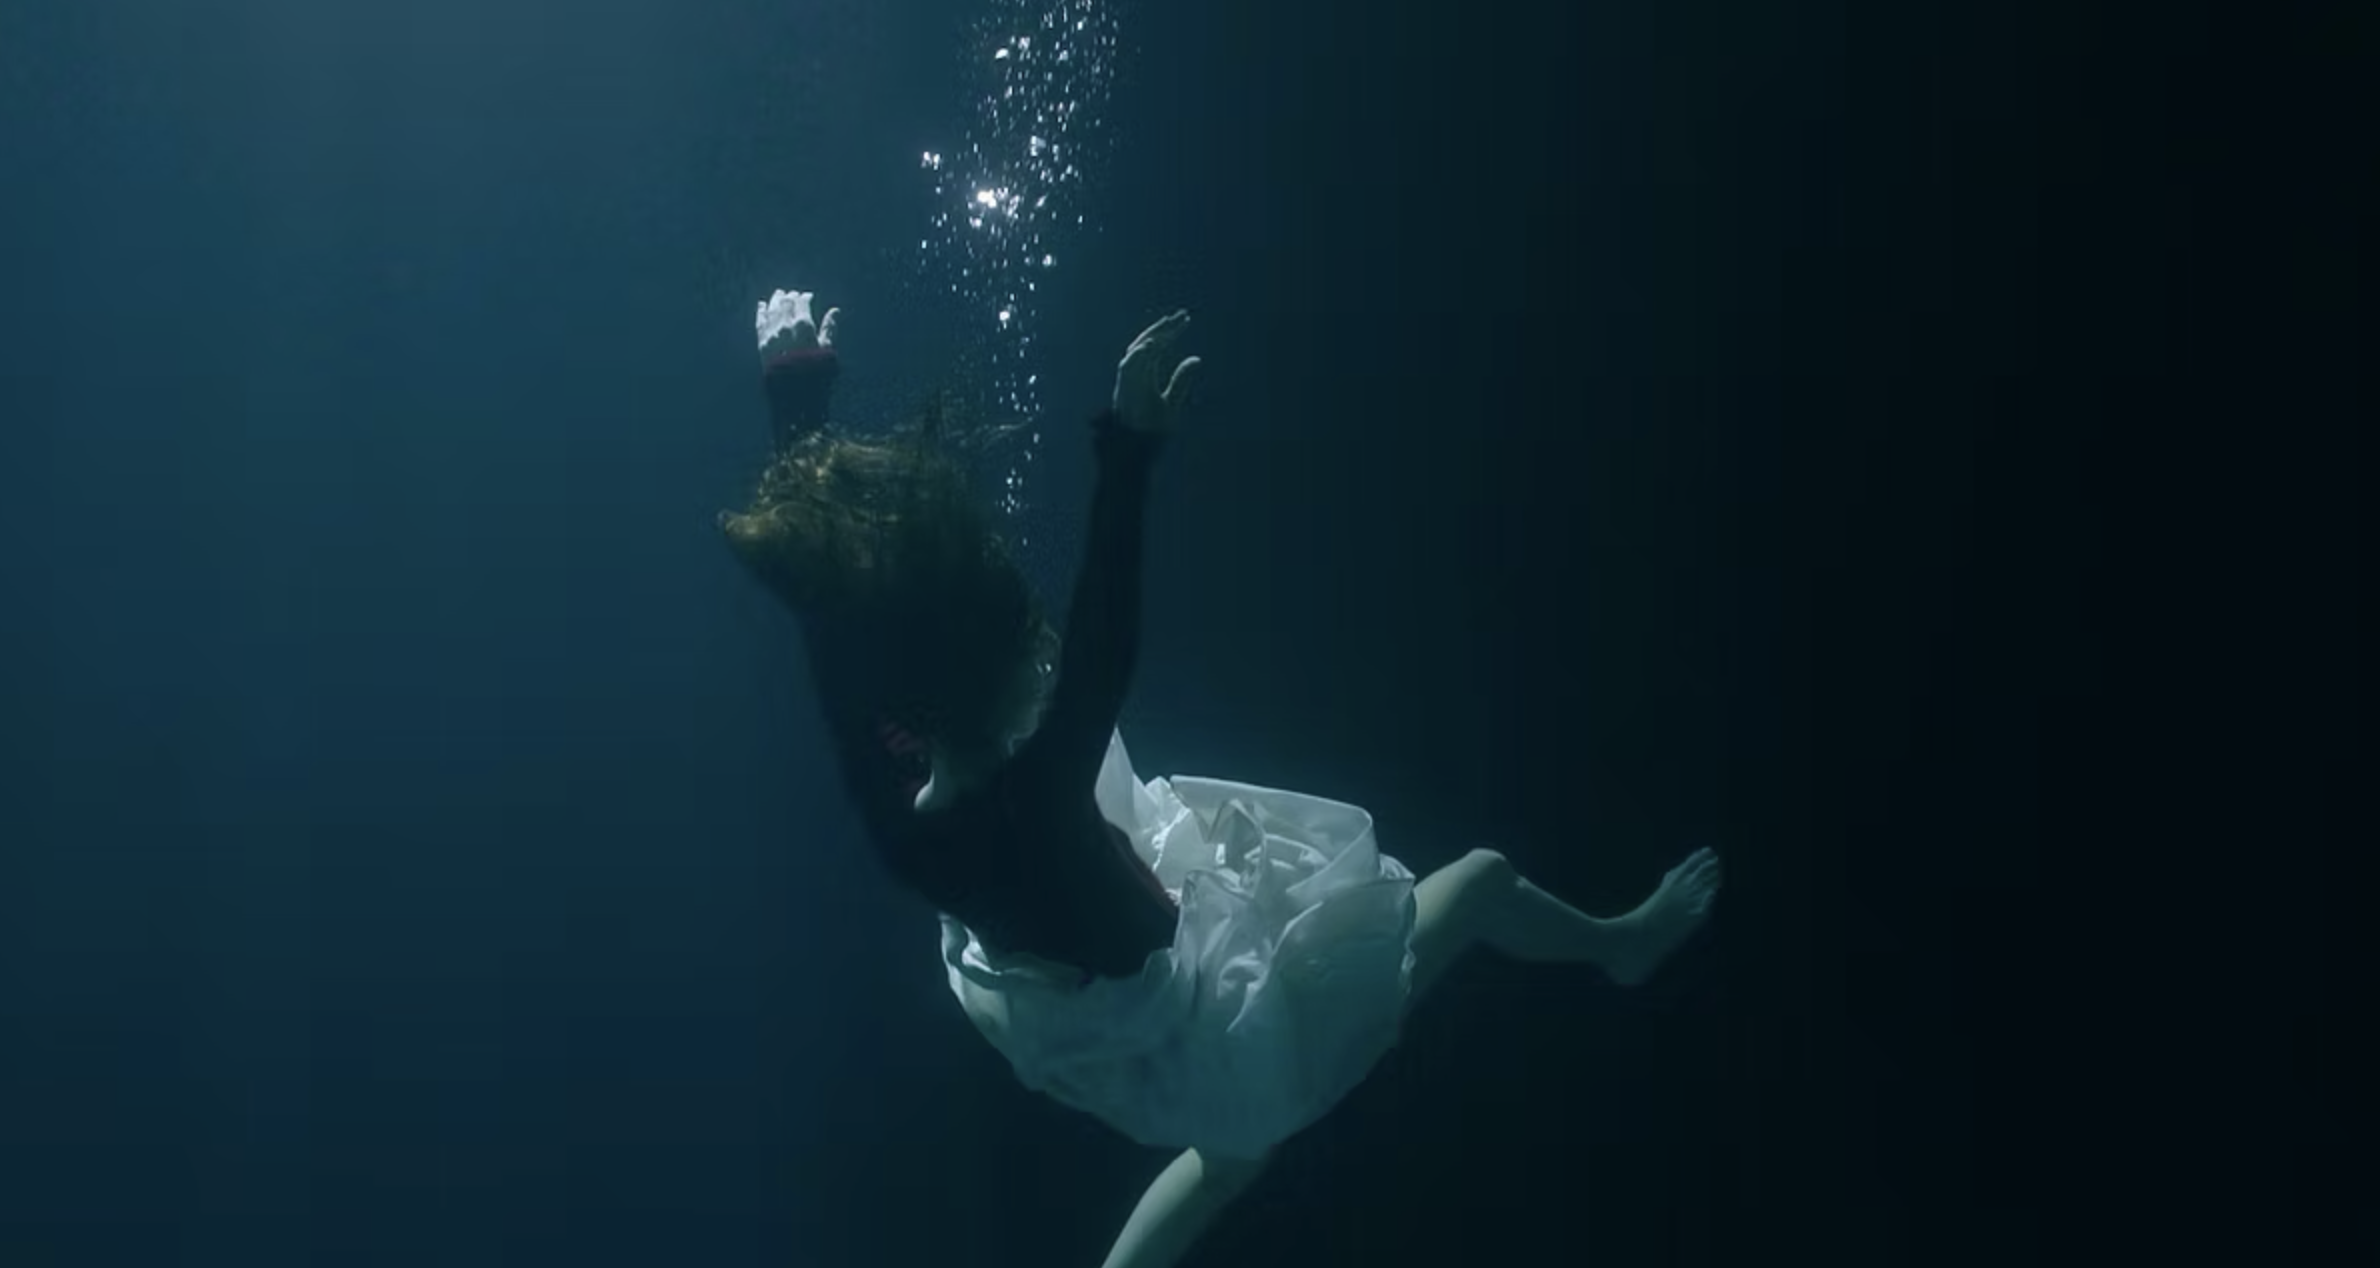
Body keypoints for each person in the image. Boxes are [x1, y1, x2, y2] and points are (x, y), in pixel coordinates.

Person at [720, 288, 1725, 1268]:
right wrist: (1128, 441)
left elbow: (838, 643)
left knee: (1228, 1152)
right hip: (1202, 1013)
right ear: (999, 669)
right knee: (1482, 878)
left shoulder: (910, 829)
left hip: (1095, 1029)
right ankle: (1622, 944)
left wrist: (798, 413)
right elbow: (1099, 642)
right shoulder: (1041, 784)